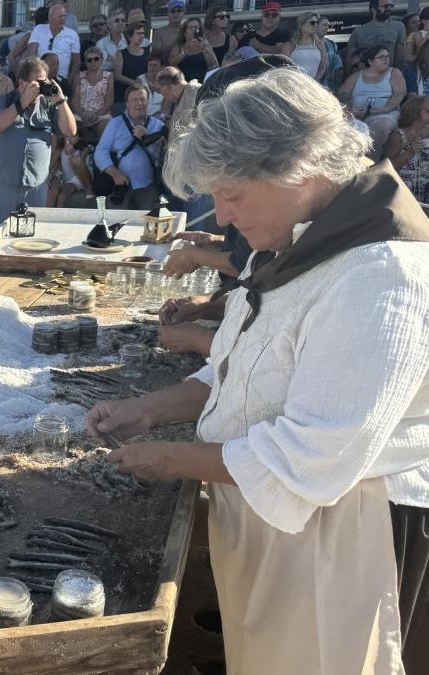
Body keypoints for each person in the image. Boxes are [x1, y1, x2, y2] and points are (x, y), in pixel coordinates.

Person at [92, 66, 429, 675]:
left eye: (233, 193)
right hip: (273, 518)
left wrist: (169, 460)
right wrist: (149, 409)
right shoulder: (300, 241)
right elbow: (241, 371)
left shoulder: (381, 270)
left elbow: (313, 455)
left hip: (348, 535)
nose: (220, 218)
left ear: (298, 168)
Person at [0, 58, 77, 229]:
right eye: (38, 83)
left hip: (36, 187)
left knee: (32, 240)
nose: (43, 87)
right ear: (22, 84)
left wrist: (60, 100)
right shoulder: (5, 100)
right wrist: (23, 102)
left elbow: (70, 131)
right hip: (4, 186)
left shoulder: (49, 106)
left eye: (45, 81)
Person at [94, 84, 164, 209]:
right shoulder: (115, 124)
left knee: (149, 224)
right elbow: (100, 151)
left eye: (143, 99)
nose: (139, 103)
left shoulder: (157, 126)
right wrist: (115, 174)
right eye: (134, 100)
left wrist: (146, 138)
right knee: (116, 225)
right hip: (119, 186)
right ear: (127, 104)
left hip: (147, 186)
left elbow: (160, 157)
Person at [340, 46, 406, 154]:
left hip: (385, 114)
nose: (386, 59)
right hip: (357, 114)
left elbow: (400, 93)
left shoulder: (393, 72)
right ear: (370, 61)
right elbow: (342, 94)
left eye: (387, 56)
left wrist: (386, 108)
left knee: (383, 125)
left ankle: (373, 162)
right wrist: (351, 109)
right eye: (381, 57)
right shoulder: (356, 76)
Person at [22, 3, 81, 86]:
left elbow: (76, 63)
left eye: (64, 16)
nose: (63, 19)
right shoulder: (39, 29)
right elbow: (31, 54)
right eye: (60, 16)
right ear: (50, 17)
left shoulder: (72, 35)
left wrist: (68, 82)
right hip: (40, 78)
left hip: (61, 80)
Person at [384, 95, 429, 202]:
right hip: (403, 192)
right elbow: (387, 166)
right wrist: (410, 151)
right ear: (415, 112)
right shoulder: (398, 135)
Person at [348, 0, 406, 73]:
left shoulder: (398, 27)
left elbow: (400, 54)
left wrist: (398, 74)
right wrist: (349, 75)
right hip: (365, 76)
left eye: (391, 6)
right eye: (385, 6)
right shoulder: (358, 31)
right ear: (373, 9)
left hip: (388, 75)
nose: (389, 8)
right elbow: (351, 58)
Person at [74, 47, 113, 140]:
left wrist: (97, 114)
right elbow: (74, 100)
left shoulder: (108, 76)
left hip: (102, 115)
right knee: (73, 129)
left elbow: (109, 100)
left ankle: (101, 152)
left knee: (106, 128)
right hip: (81, 114)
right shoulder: (79, 76)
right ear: (86, 62)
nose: (93, 62)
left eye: (96, 59)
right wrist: (83, 115)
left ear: (101, 60)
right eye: (89, 60)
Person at [170, 17, 218, 83]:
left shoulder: (206, 45)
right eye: (191, 28)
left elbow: (214, 65)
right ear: (184, 32)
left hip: (203, 83)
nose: (195, 30)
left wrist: (205, 50)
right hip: (184, 85)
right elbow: (171, 64)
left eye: (197, 27)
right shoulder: (178, 47)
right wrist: (185, 52)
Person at [157, 67, 200, 142]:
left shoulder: (197, 93)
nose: (161, 93)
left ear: (167, 86)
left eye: (159, 89)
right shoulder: (179, 98)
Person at [114, 23, 150, 109]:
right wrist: (135, 83)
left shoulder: (148, 52)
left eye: (143, 33)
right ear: (129, 37)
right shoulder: (121, 54)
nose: (141, 36)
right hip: (124, 95)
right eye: (138, 33)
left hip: (143, 95)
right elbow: (117, 76)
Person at [290, 12, 328, 81]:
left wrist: (314, 82)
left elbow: (323, 67)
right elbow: (284, 67)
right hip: (294, 84)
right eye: (312, 23)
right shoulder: (290, 44)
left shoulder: (319, 43)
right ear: (301, 26)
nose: (316, 25)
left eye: (317, 22)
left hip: (313, 86)